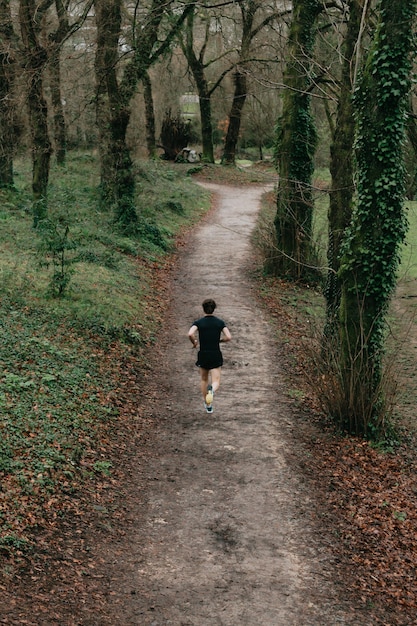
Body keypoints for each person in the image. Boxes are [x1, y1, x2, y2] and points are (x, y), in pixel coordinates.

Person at [188, 299, 232, 413]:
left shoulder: (199, 322)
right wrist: (220, 341)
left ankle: (208, 405)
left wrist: (194, 342)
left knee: (203, 379)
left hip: (203, 354)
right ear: (214, 309)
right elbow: (229, 336)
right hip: (215, 353)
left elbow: (190, 333)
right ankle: (212, 389)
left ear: (203, 308)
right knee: (216, 380)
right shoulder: (219, 322)